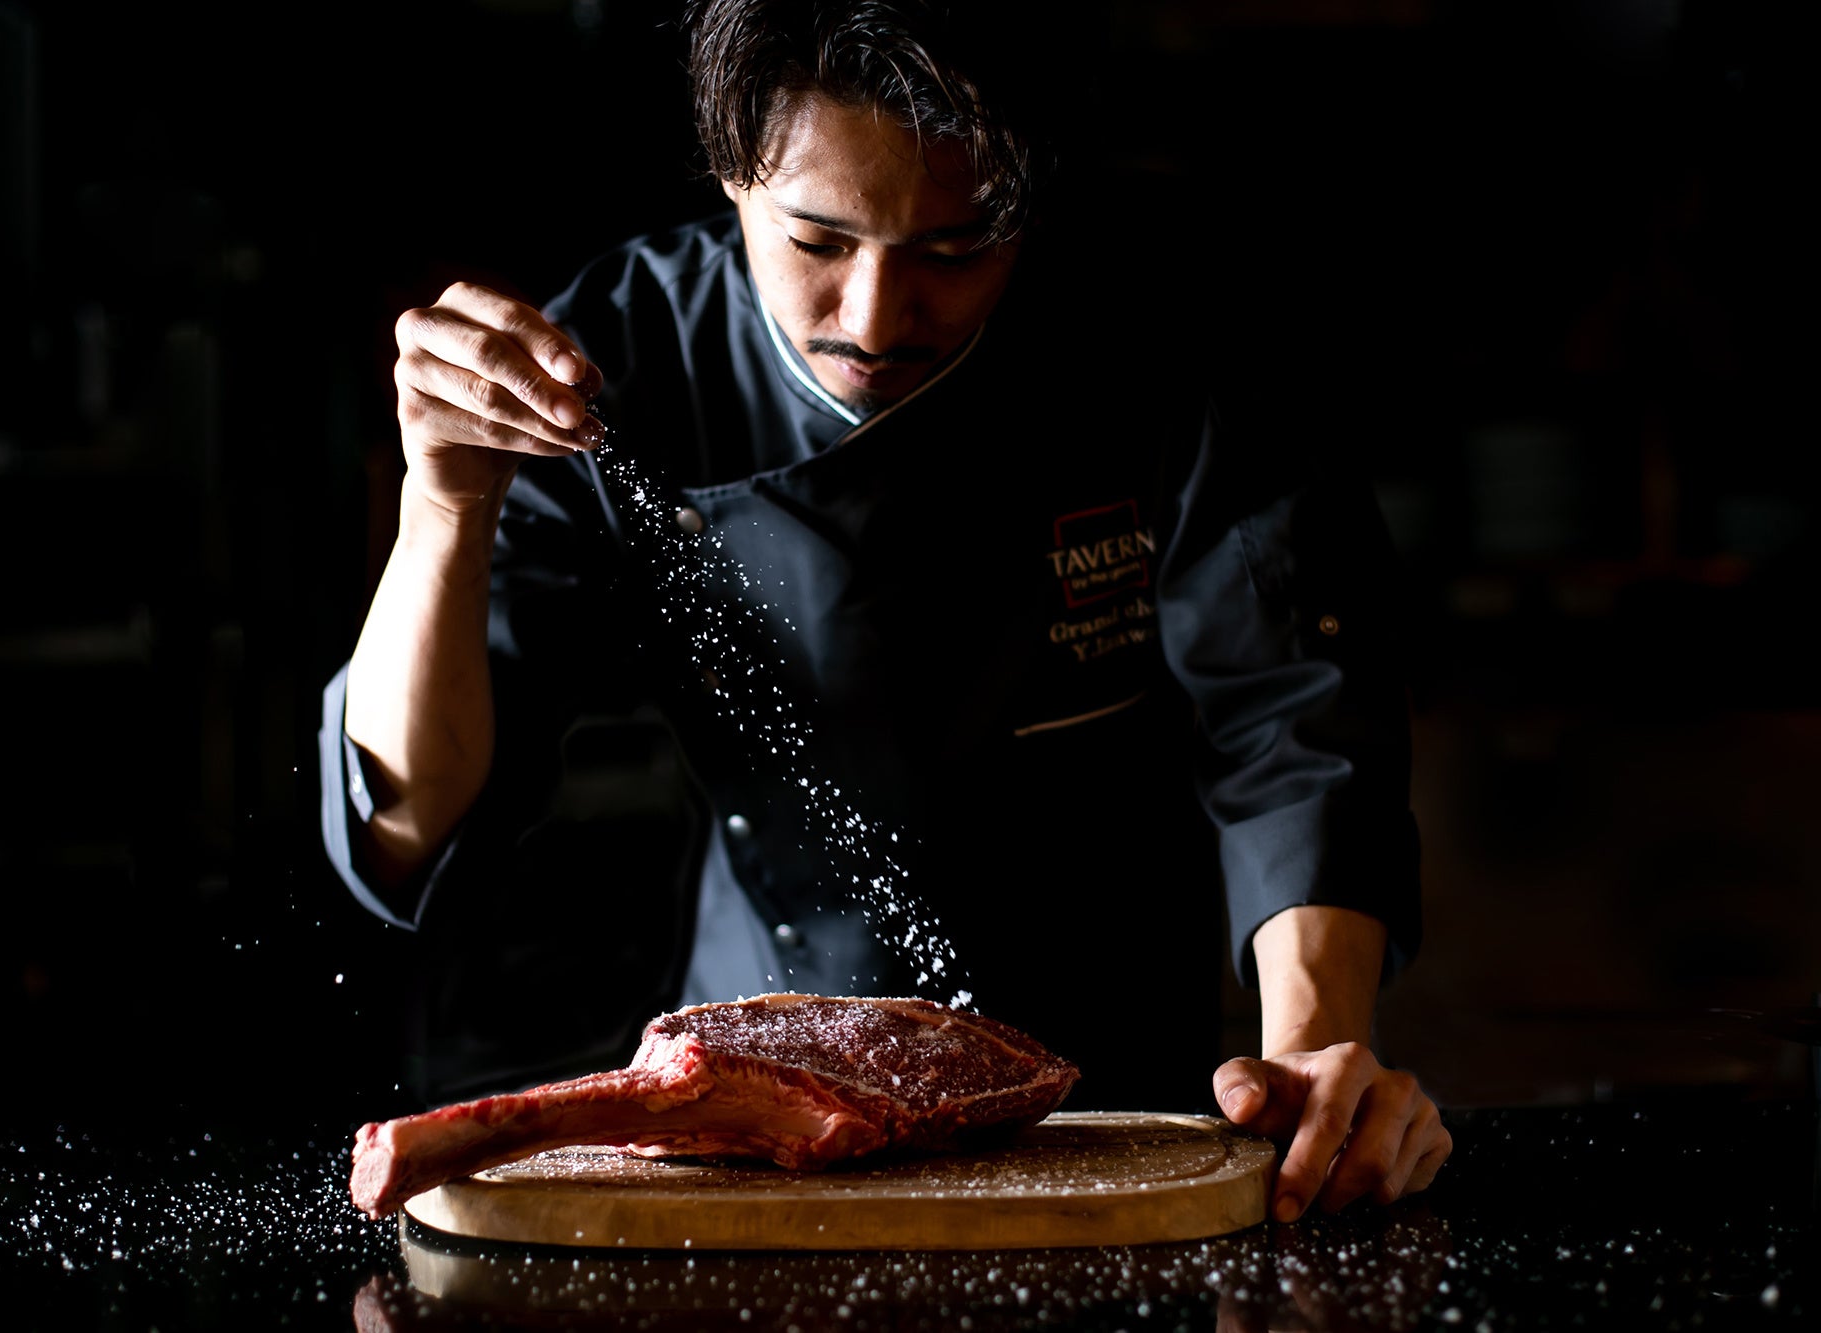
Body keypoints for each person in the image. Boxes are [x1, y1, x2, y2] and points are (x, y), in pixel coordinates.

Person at [319, 0, 1451, 1221]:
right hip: (751, 1102)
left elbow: (1293, 731)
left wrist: (1308, 1056)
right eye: (815, 240)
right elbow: (410, 821)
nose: (871, 317)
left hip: (1128, 1102)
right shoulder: (623, 359)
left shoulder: (1161, 337)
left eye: (953, 251)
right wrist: (442, 501)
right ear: (730, 169)